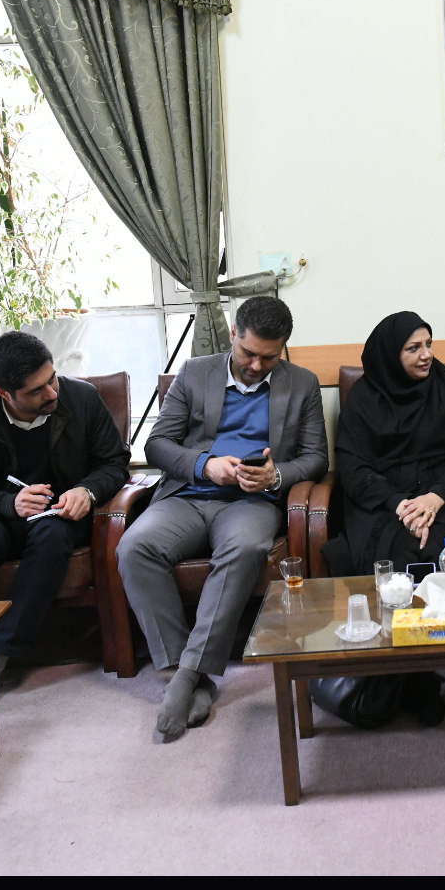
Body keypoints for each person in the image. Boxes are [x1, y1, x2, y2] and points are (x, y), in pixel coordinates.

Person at [117, 296, 327, 742]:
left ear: (283, 348)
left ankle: (186, 675)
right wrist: (204, 465)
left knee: (246, 548)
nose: (256, 365)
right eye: (248, 352)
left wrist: (275, 476)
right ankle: (186, 671)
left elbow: (316, 458)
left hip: (251, 503)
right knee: (134, 546)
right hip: (188, 496)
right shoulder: (195, 373)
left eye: (269, 357)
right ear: (233, 334)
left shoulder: (302, 384)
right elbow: (157, 444)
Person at [0, 331, 131, 718]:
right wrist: (8, 503)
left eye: (52, 379)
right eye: (37, 390)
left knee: (52, 536)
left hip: (60, 513)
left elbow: (113, 463)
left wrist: (87, 491)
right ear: (4, 393)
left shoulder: (82, 398)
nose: (52, 393)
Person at [323, 311, 445, 725]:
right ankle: (418, 677)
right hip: (383, 499)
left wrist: (435, 497)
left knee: (444, 553)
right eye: (413, 348)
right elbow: (353, 467)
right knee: (395, 561)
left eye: (429, 345)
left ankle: (422, 667)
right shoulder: (364, 399)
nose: (426, 355)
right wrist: (399, 504)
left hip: (443, 493)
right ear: (389, 355)